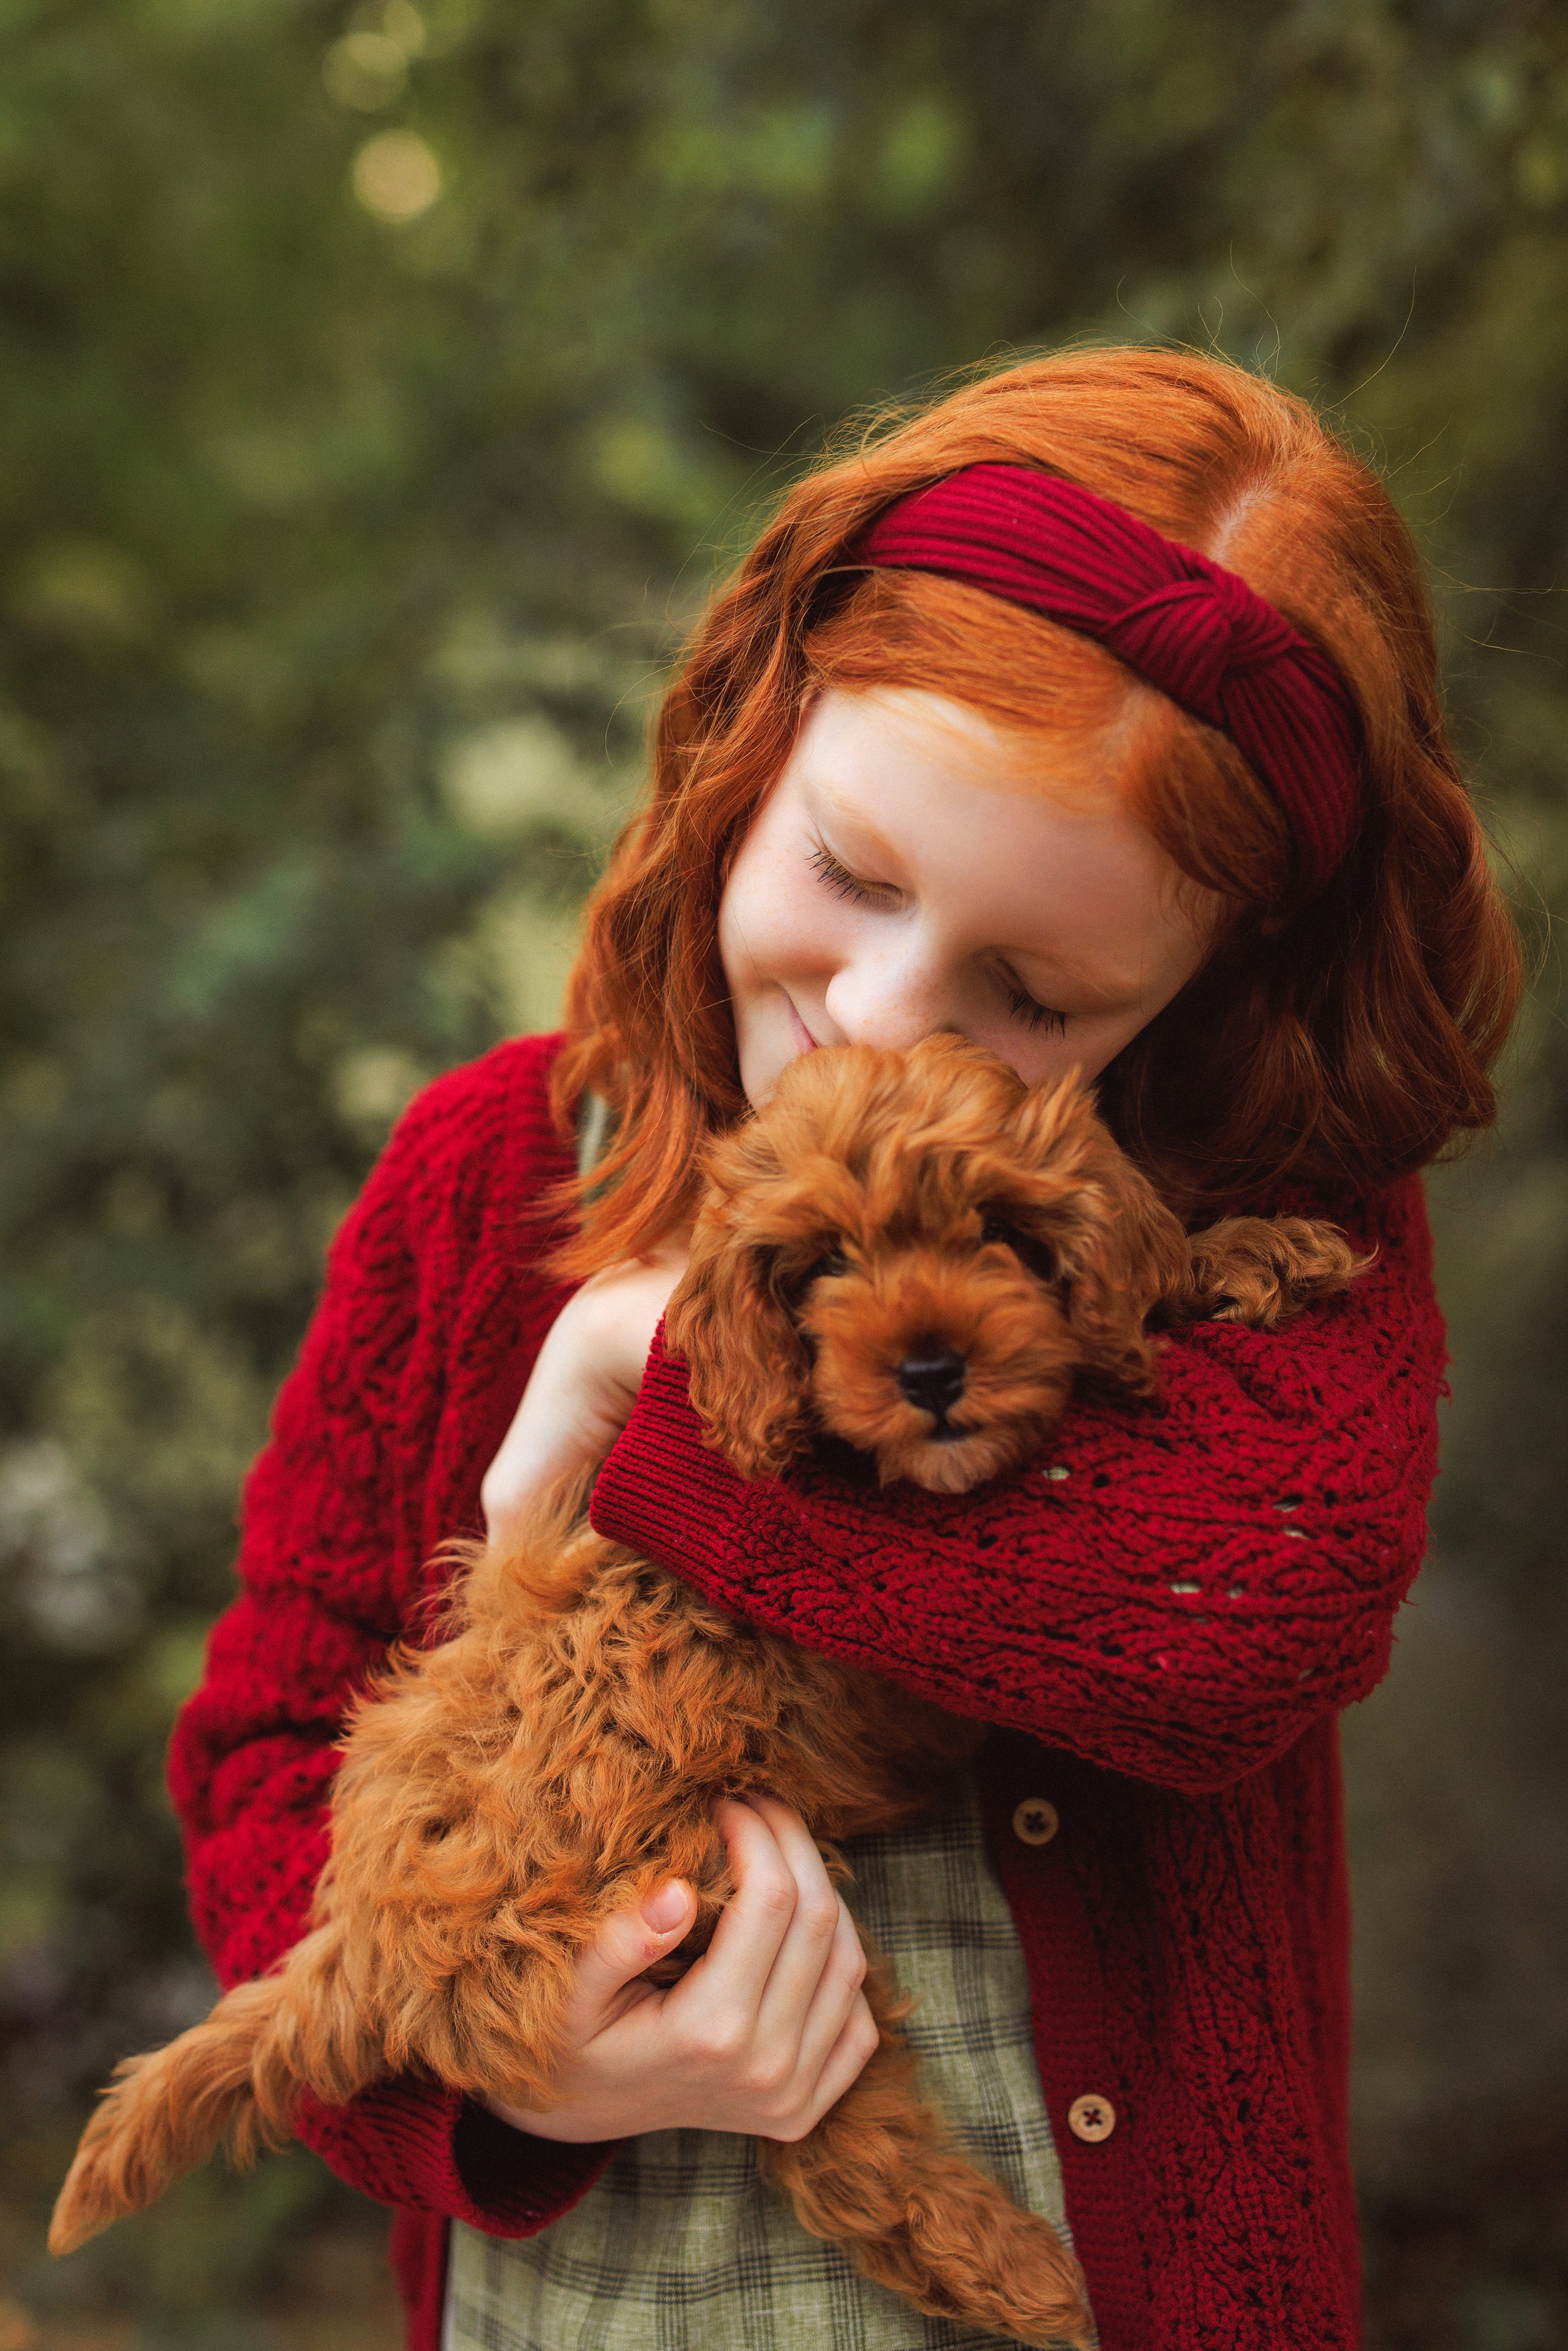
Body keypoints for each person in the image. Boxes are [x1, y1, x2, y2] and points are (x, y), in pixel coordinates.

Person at [167, 346, 1521, 2351]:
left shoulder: (1271, 1214)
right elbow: (270, 1762)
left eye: (1034, 993)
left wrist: (652, 1394)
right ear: (761, 729)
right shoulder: (490, 1177)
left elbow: (1243, 1621)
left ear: (1206, 971)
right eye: (851, 873)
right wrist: (516, 2072)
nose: (882, 1013)